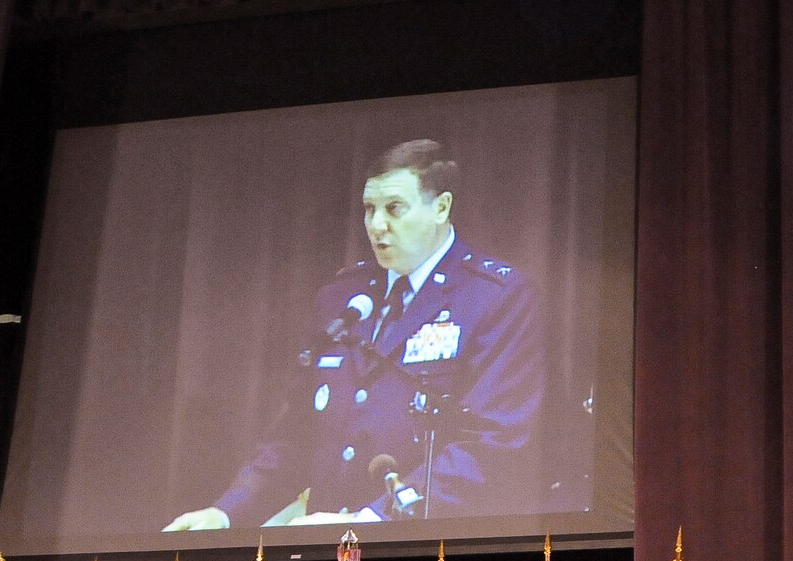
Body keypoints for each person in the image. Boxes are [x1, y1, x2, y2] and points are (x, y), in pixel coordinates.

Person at [165, 138, 543, 530]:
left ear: (442, 207)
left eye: (394, 208)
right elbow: (298, 432)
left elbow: (494, 444)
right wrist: (227, 513)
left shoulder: (494, 297)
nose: (377, 225)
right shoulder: (342, 297)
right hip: (325, 552)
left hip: (425, 550)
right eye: (369, 209)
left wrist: (371, 520)